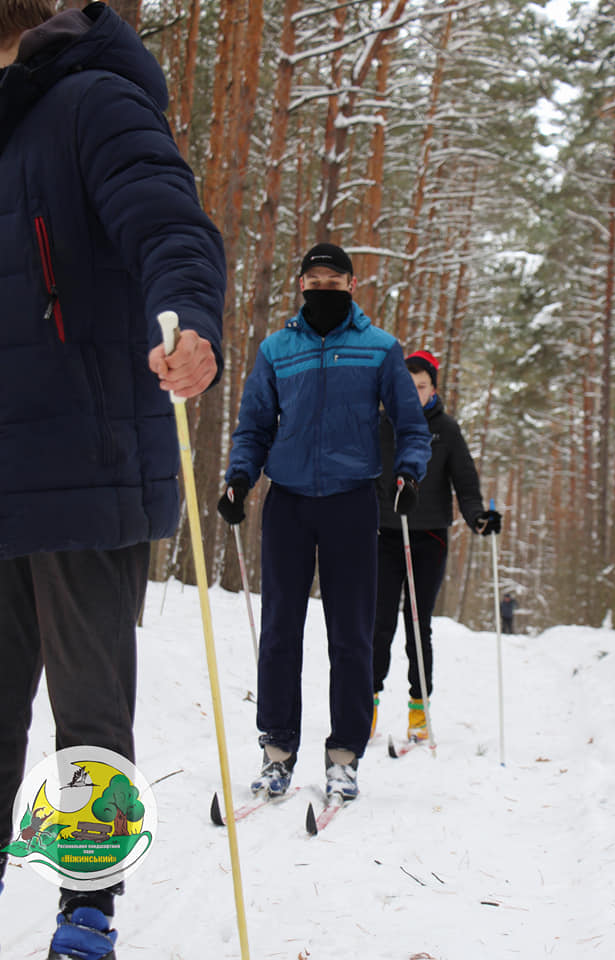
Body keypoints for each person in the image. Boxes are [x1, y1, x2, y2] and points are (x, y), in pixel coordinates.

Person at [0, 2, 226, 958]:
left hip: (82, 464)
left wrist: (187, 317)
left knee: (88, 705)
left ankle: (85, 914)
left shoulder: (94, 99)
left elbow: (169, 220)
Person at [217, 242, 432, 803]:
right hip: (287, 501)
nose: (323, 290)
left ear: (351, 287)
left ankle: (343, 756)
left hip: (351, 501)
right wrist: (240, 478)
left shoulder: (380, 349)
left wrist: (409, 475)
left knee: (352, 634)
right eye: (314, 281)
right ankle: (277, 752)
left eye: (333, 283)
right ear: (301, 285)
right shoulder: (276, 349)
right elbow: (254, 425)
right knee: (280, 631)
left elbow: (411, 425)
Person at [372, 350, 501, 741]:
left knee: (417, 622)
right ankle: (367, 702)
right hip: (382, 532)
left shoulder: (445, 429)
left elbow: (465, 482)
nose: (414, 394)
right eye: (407, 387)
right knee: (378, 623)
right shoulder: (378, 425)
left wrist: (478, 517)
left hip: (428, 536)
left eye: (422, 386)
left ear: (433, 388)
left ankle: (418, 707)